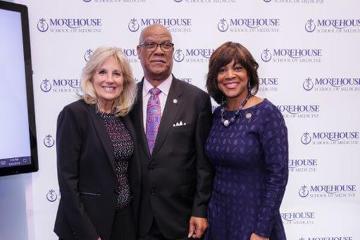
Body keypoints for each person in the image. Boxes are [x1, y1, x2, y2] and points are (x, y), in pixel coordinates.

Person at [130, 24, 213, 240]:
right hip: (135, 220)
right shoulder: (124, 99)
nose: (159, 50)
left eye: (165, 44)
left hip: (181, 219)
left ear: (172, 51)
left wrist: (200, 209)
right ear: (138, 52)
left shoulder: (196, 100)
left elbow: (204, 164)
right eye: (150, 44)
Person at [54, 47, 140, 240]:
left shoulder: (124, 116)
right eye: (102, 72)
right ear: (91, 76)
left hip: (124, 219)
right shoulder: (75, 114)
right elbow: (67, 181)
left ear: (124, 81)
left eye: (116, 73)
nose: (109, 80)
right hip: (88, 224)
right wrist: (89, 234)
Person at [205, 41, 288, 240]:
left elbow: (278, 176)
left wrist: (262, 230)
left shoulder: (267, 114)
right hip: (218, 219)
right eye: (222, 70)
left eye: (238, 68)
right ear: (215, 78)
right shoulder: (217, 115)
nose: (230, 75)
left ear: (249, 73)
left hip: (253, 221)